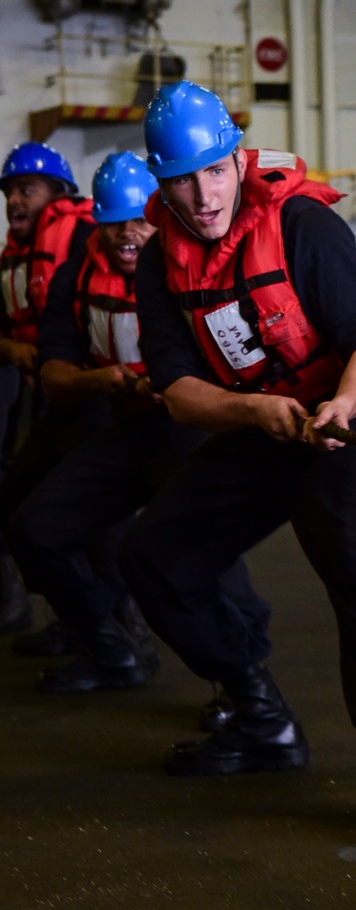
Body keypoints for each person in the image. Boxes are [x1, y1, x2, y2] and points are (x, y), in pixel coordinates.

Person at [120, 82, 356, 850]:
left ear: (237, 161)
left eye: (213, 172)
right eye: (180, 178)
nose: (201, 196)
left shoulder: (303, 224)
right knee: (157, 556)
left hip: (352, 402)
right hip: (259, 414)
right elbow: (175, 388)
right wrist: (251, 413)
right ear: (160, 181)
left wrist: (340, 408)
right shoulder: (158, 261)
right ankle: (258, 713)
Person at [6, 152, 196, 694]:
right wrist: (103, 380)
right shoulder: (74, 272)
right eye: (114, 224)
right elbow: (54, 367)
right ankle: (107, 639)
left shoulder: (181, 268)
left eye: (138, 222)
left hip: (182, 424)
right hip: (112, 417)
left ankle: (248, 696)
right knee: (32, 525)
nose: (127, 235)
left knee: (195, 556)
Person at [0, 142, 95, 637]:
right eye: (10, 192)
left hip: (91, 400)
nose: (15, 202)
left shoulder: (82, 235)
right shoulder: (12, 260)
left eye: (26, 190)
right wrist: (13, 350)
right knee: (26, 507)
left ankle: (111, 631)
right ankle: (75, 617)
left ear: (57, 193)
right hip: (46, 400)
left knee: (88, 518)